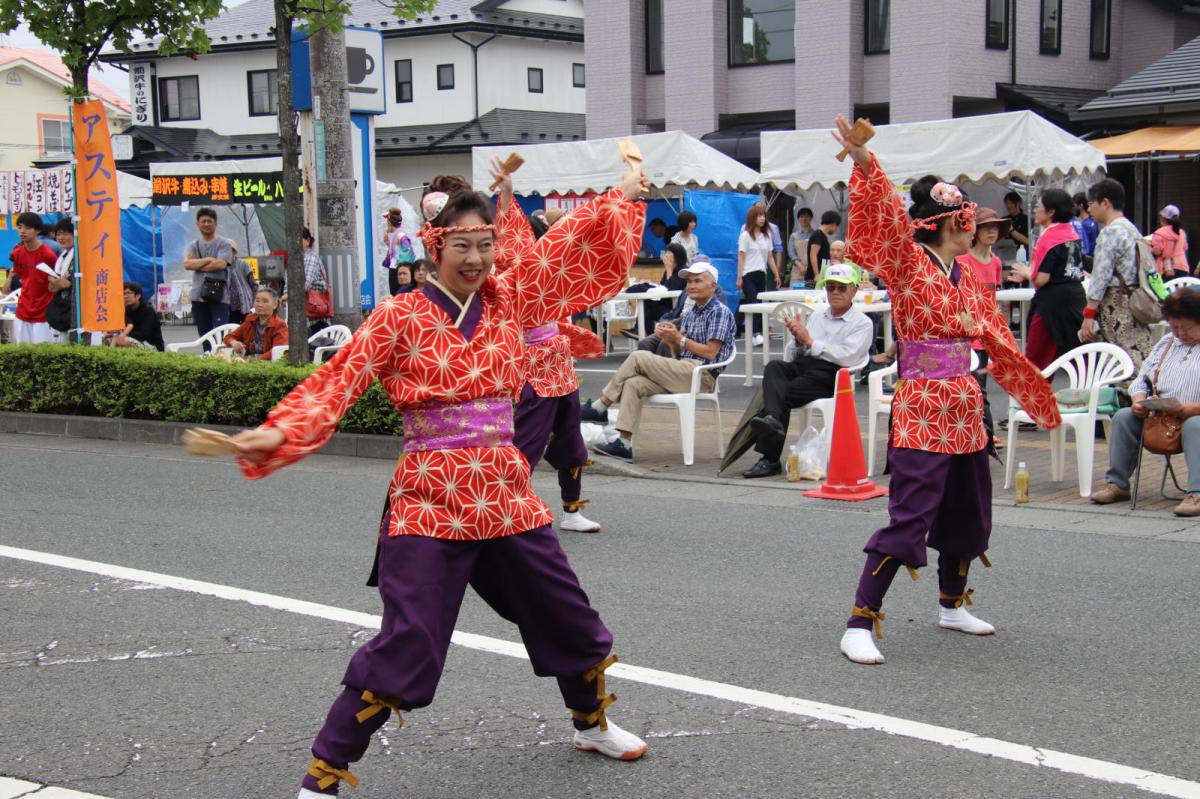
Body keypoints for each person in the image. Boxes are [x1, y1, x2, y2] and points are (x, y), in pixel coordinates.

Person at [230, 164, 651, 799]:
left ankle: (591, 722)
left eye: (486, 244)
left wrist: (623, 197)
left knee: (567, 615)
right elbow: (338, 380)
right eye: (463, 246)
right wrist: (283, 431)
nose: (477, 258)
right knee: (409, 641)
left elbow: (570, 246)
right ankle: (322, 778)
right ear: (435, 248)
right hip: (431, 498)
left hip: (506, 494)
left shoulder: (513, 299)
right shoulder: (398, 316)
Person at [831, 114, 1060, 666]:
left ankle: (952, 602)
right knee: (910, 512)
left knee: (967, 506)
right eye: (969, 220)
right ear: (946, 223)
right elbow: (885, 220)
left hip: (964, 405)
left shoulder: (967, 278)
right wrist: (865, 162)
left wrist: (1036, 391)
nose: (978, 230)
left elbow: (998, 340)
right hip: (923, 404)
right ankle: (859, 620)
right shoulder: (909, 264)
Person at [583, 261, 736, 461]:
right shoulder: (691, 313)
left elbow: (710, 353)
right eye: (689, 281)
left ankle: (600, 406)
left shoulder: (719, 311)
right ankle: (624, 443)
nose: (691, 285)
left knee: (639, 356)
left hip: (702, 375)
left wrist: (679, 339)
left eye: (698, 280)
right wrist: (670, 339)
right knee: (633, 383)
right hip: (683, 370)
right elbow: (679, 352)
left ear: (713, 286)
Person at [741, 263, 873, 478]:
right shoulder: (819, 315)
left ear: (854, 290)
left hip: (832, 374)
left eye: (842, 288)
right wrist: (798, 340)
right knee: (774, 367)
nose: (835, 293)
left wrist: (810, 341)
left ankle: (769, 458)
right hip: (805, 365)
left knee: (778, 394)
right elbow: (795, 353)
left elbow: (847, 356)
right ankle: (772, 420)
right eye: (831, 288)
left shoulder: (862, 323)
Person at [1090, 289, 1200, 516]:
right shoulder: (1167, 343)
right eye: (1175, 326)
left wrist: (1191, 409)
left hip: (1194, 417)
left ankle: (1197, 493)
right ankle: (1117, 484)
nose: (1179, 333)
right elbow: (1142, 380)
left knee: (1195, 424)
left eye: (1186, 328)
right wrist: (1139, 401)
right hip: (1163, 416)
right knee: (1124, 417)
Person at [1079, 179, 1157, 372]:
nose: (1089, 209)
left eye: (1091, 204)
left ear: (1105, 203)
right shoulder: (1131, 228)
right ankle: (1149, 391)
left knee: (1122, 357)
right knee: (1139, 350)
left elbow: (1101, 275)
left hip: (1116, 303)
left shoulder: (1109, 232)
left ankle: (1133, 397)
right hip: (1134, 297)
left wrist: (1089, 313)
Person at [1010, 189, 1087, 369]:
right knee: (1079, 357)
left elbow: (1041, 278)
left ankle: (1033, 397)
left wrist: (1026, 272)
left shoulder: (1049, 237)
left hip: (1051, 304)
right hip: (1076, 298)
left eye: (1038, 206)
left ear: (1051, 212)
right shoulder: (1073, 233)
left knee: (1037, 360)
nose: (1035, 209)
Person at [955, 208, 1011, 443]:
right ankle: (984, 432)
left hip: (987, 330)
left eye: (995, 227)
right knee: (974, 385)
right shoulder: (962, 260)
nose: (991, 232)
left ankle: (982, 432)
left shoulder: (996, 262)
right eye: (986, 227)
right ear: (975, 231)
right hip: (968, 331)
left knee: (981, 383)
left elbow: (994, 299)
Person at [1, 212, 58, 344]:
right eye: (20, 227)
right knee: (21, 352)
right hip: (22, 311)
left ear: (37, 230)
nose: (22, 231)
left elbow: (54, 284)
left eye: (27, 228)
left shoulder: (48, 255)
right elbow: (12, 283)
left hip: (43, 313)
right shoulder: (17, 253)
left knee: (41, 354)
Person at [183, 207, 231, 342]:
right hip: (198, 297)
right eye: (203, 221)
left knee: (221, 333)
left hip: (219, 297)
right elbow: (187, 265)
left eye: (209, 221)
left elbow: (221, 264)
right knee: (204, 333)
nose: (206, 224)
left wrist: (198, 265)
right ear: (197, 224)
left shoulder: (224, 244)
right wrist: (208, 260)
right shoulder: (194, 245)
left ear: (215, 223)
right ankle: (207, 356)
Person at [738, 202, 777, 346]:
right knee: (753, 302)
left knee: (760, 304)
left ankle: (757, 332)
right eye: (759, 216)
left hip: (762, 273)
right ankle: (756, 333)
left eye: (763, 216)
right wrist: (739, 276)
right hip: (748, 273)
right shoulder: (745, 236)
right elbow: (741, 256)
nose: (762, 219)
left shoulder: (767, 236)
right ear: (752, 218)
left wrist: (776, 274)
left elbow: (770, 257)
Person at [222, 287, 287, 360]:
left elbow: (278, 352)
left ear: (275, 305)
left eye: (265, 301)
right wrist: (234, 343)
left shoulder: (279, 324)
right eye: (257, 301)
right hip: (247, 359)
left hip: (266, 362)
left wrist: (254, 360)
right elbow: (228, 337)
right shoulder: (250, 319)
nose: (260, 305)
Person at [104, 282, 165, 351]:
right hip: (135, 341)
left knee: (120, 340)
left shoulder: (148, 310)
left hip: (152, 346)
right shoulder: (127, 310)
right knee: (107, 339)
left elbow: (143, 335)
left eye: (128, 293)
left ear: (138, 296)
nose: (125, 296)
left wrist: (123, 335)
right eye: (124, 294)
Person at [44, 219, 76, 341]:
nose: (61, 237)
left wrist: (66, 284)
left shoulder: (81, 256)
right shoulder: (62, 256)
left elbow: (68, 283)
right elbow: (57, 285)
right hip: (62, 309)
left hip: (76, 311)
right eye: (58, 234)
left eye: (65, 234)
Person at [302, 227, 333, 336]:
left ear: (307, 241)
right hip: (310, 313)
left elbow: (306, 284)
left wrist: (288, 295)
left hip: (315, 316)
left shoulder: (310, 258)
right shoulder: (299, 258)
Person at [382, 207, 416, 295]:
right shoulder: (397, 233)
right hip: (395, 267)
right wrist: (388, 244)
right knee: (396, 294)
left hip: (396, 268)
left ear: (389, 222)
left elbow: (407, 247)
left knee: (397, 294)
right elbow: (398, 250)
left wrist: (401, 263)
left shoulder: (400, 234)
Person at [1151, 204, 1190, 280]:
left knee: (1167, 291)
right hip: (1183, 267)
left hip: (1167, 269)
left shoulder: (1159, 233)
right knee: (1180, 290)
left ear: (1162, 218)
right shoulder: (1181, 232)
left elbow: (1157, 251)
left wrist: (1149, 249)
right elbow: (1185, 248)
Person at [225, 240, 260, 325]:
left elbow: (253, 285)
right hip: (229, 307)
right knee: (232, 330)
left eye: (230, 250)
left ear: (234, 252)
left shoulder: (243, 264)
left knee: (247, 329)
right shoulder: (221, 266)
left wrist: (255, 300)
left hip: (245, 305)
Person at [807, 211, 840, 282]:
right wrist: (816, 274)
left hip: (822, 275)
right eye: (837, 227)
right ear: (833, 224)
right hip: (814, 278)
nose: (836, 230)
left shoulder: (822, 235)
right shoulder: (818, 235)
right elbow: (813, 254)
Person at [787, 207, 814, 286]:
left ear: (811, 218)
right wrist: (799, 265)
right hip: (797, 270)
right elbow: (791, 252)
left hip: (812, 270)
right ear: (798, 219)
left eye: (806, 216)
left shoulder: (815, 234)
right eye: (801, 217)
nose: (804, 219)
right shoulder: (794, 236)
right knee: (795, 295)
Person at [1071, 192, 1098, 270]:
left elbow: (1085, 247)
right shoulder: (1092, 222)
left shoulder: (1085, 225)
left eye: (1074, 205)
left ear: (1081, 206)